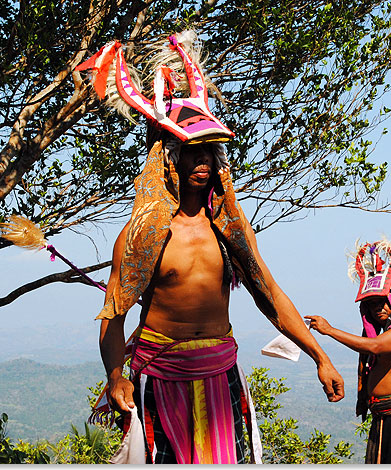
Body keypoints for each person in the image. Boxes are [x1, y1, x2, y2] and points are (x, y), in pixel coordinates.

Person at [78, 31, 344, 464]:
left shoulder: (231, 230)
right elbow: (114, 315)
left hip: (222, 374)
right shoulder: (140, 235)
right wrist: (115, 375)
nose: (202, 162)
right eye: (191, 152)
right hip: (160, 376)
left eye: (209, 152)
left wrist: (321, 357)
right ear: (168, 157)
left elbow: (271, 295)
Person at [305, 240, 391, 464]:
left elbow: (375, 346)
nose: (378, 308)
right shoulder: (387, 331)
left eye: (382, 302)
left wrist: (329, 330)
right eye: (371, 304)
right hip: (386, 416)